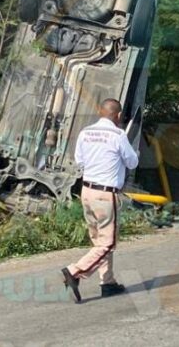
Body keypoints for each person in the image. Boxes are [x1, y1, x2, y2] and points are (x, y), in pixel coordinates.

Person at [60, 98, 139, 303]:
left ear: (99, 111)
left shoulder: (85, 133)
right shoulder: (119, 135)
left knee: (99, 240)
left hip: (87, 192)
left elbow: (80, 161)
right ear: (119, 116)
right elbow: (132, 161)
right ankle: (74, 271)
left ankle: (108, 282)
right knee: (108, 243)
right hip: (105, 195)